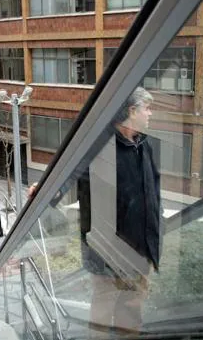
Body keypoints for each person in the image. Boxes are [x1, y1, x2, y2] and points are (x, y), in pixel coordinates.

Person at [80, 87, 161, 333]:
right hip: (108, 257)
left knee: (131, 316)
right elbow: (72, 171)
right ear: (131, 111)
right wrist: (43, 187)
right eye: (147, 108)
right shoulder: (99, 147)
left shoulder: (144, 145)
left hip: (139, 253)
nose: (151, 114)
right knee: (102, 321)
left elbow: (153, 194)